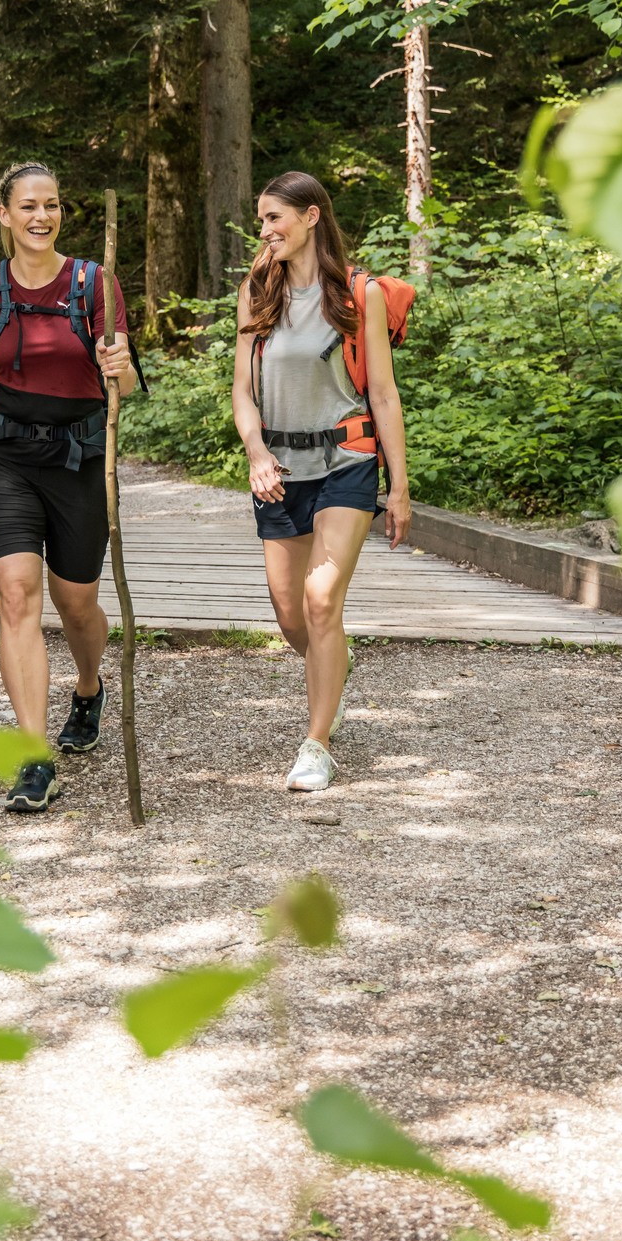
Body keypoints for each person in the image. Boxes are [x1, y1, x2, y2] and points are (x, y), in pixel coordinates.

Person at [0, 162, 137, 814]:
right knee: (16, 595)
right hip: (5, 459)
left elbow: (127, 381)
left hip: (79, 462)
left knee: (76, 604)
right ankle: (33, 761)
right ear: (3, 213)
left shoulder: (93, 284)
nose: (40, 216)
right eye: (28, 206)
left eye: (51, 205)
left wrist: (119, 367)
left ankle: (86, 686)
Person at [232, 171, 411, 793]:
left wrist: (401, 487)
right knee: (290, 615)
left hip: (347, 461)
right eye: (261, 220)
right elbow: (242, 391)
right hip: (279, 469)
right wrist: (255, 452)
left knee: (320, 600)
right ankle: (333, 659)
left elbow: (383, 394)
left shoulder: (361, 294)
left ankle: (316, 744)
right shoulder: (257, 290)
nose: (266, 230)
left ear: (311, 217)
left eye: (275, 217)